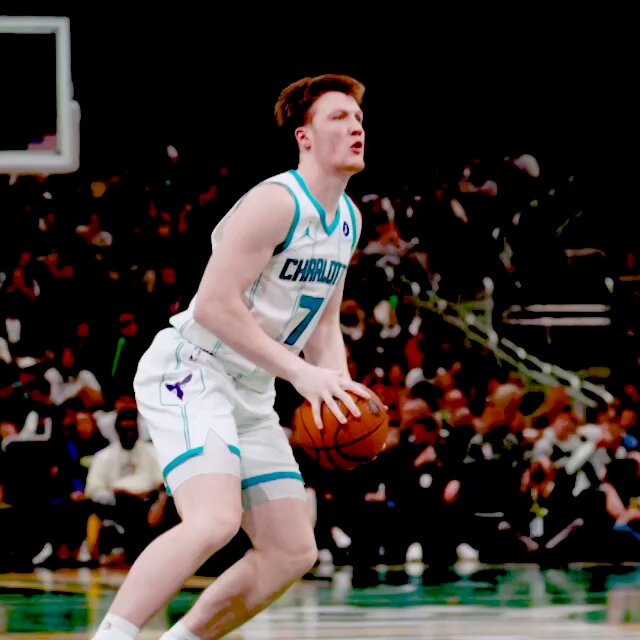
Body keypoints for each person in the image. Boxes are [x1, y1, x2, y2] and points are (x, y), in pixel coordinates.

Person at [91, 73, 371, 640]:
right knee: (214, 520)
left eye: (359, 118)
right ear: (304, 137)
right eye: (338, 117)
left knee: (292, 549)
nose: (356, 127)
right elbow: (215, 306)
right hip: (192, 368)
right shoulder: (275, 203)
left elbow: (323, 327)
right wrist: (300, 374)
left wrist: (340, 389)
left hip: (252, 389)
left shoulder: (348, 219)